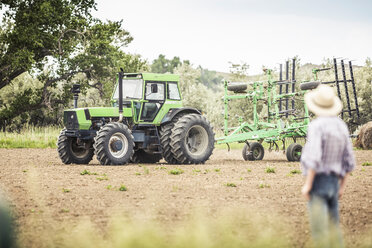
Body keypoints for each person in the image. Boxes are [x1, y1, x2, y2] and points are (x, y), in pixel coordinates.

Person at [300, 85, 355, 248]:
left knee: (320, 234)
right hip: (334, 183)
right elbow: (349, 161)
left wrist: (308, 185)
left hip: (318, 182)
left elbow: (314, 158)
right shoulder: (341, 126)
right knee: (333, 230)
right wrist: (342, 187)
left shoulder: (316, 126)